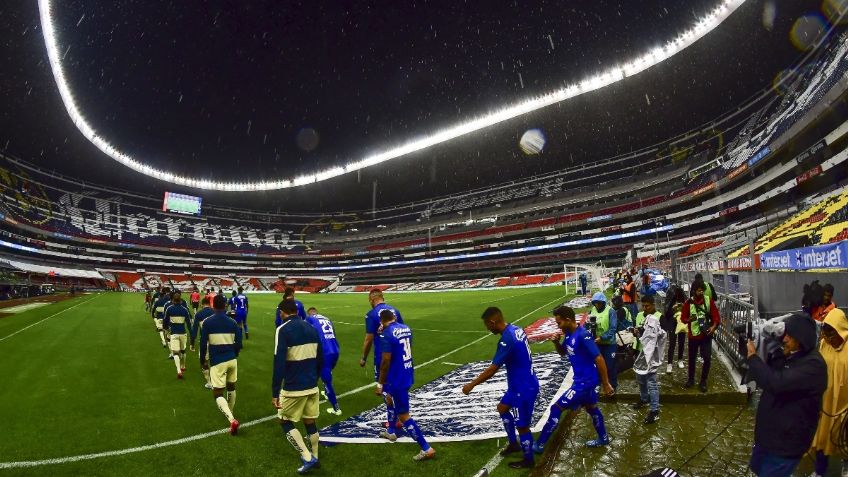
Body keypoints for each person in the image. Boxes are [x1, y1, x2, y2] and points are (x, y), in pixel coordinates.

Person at [746, 313, 827, 477]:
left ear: (802, 338)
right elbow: (775, 367)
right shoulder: (792, 356)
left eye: (790, 336)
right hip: (768, 439)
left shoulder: (813, 366)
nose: (785, 339)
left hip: (785, 445)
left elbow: (776, 382)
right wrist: (768, 341)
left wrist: (753, 358)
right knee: (758, 470)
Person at [462, 307, 539, 469]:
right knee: (502, 408)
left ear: (492, 322)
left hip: (522, 388)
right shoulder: (516, 329)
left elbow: (492, 369)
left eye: (486, 325)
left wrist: (471, 384)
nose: (487, 328)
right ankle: (513, 444)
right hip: (520, 384)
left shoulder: (506, 339)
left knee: (522, 426)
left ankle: (528, 459)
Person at [534, 305, 614, 455]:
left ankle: (539, 445)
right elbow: (564, 352)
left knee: (556, 408)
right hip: (585, 382)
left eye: (559, 323)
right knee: (592, 408)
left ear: (569, 320)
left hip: (583, 384)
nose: (558, 326)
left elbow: (599, 358)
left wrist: (606, 383)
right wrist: (557, 343)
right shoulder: (569, 334)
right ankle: (603, 438)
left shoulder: (583, 335)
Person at [376, 309, 435, 461]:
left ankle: (426, 448)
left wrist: (380, 383)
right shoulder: (405, 328)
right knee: (390, 399)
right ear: (394, 317)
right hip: (407, 373)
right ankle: (391, 431)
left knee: (404, 416)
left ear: (382, 321)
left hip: (397, 378)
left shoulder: (386, 334)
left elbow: (386, 361)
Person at [272, 300, 323, 474]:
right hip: (312, 384)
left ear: (282, 312)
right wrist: (314, 378)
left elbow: (279, 363)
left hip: (294, 386)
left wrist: (275, 392)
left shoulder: (282, 330)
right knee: (310, 421)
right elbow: (320, 359)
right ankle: (315, 457)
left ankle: (307, 457)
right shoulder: (312, 328)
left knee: (284, 420)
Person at [810, 308, 848, 477]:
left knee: (845, 436)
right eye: (825, 334)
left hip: (844, 404)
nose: (828, 338)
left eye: (832, 334)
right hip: (826, 402)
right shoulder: (824, 344)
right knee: (822, 436)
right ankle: (820, 471)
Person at [199, 295, 243, 436]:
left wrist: (202, 360)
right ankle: (230, 412)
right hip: (232, 359)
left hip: (217, 361)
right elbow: (239, 343)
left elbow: (203, 343)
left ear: (213, 305)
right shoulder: (232, 322)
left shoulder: (207, 322)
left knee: (217, 392)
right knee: (231, 386)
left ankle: (231, 419)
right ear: (225, 305)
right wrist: (234, 353)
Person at [630, 295, 667, 424]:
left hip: (652, 355)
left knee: (651, 382)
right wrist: (636, 332)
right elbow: (638, 333)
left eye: (647, 306)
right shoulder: (640, 315)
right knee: (640, 378)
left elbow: (664, 335)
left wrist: (651, 333)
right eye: (643, 305)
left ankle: (654, 410)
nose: (645, 308)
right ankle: (644, 399)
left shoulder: (659, 317)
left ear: (653, 304)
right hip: (641, 352)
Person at [680, 281, 720, 392]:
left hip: (706, 335)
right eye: (698, 290)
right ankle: (691, 379)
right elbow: (683, 318)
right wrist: (689, 320)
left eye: (702, 290)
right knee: (692, 359)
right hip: (693, 335)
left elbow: (716, 316)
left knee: (707, 358)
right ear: (693, 291)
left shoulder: (708, 300)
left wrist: (713, 327)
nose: (701, 292)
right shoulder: (688, 303)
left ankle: (703, 381)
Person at [360, 289, 404, 382]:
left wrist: (363, 358)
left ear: (371, 300)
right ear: (382, 298)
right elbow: (402, 332)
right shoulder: (395, 311)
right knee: (396, 382)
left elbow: (369, 339)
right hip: (399, 354)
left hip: (383, 354)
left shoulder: (371, 314)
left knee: (383, 384)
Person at [306, 307, 342, 415]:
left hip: (325, 353)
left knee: (327, 381)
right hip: (335, 350)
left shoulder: (310, 319)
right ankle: (326, 392)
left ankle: (336, 409)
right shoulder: (327, 319)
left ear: (310, 313)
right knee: (325, 372)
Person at [587, 292, 619, 390]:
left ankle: (613, 385)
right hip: (597, 344)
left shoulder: (611, 311)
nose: (597, 305)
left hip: (609, 343)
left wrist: (602, 337)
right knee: (598, 365)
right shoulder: (593, 310)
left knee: (609, 366)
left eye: (599, 303)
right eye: (595, 303)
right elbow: (588, 324)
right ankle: (600, 384)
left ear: (604, 302)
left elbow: (613, 328)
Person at [163, 290, 192, 379]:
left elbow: (165, 321)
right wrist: (192, 334)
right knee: (183, 351)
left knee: (175, 353)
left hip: (174, 333)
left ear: (173, 300)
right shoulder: (185, 310)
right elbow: (189, 323)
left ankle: (179, 371)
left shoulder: (169, 308)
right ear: (180, 300)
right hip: (183, 333)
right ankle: (183, 366)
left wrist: (166, 329)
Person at [661, 285, 687, 373]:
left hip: (681, 322)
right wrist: (673, 308)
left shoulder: (683, 299)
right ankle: (669, 363)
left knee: (681, 341)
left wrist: (682, 306)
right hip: (672, 322)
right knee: (672, 342)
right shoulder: (669, 300)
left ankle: (680, 360)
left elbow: (688, 310)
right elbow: (666, 312)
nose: (677, 295)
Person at [190, 296, 215, 389]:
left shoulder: (199, 314)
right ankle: (216, 379)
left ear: (201, 304)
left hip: (205, 340)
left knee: (204, 360)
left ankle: (209, 382)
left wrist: (192, 343)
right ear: (210, 303)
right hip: (216, 339)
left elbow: (194, 330)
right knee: (214, 360)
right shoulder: (214, 312)